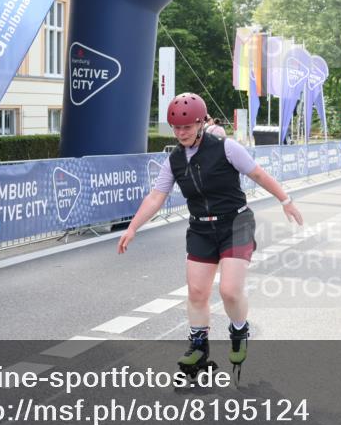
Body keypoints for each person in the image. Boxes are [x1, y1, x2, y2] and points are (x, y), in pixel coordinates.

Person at [119, 93, 304, 381]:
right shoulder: (174, 160)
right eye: (176, 129)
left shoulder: (226, 148)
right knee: (196, 292)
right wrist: (133, 227)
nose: (181, 134)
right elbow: (157, 196)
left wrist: (286, 200)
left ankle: (240, 329)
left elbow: (259, 175)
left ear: (201, 123)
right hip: (201, 228)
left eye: (187, 128)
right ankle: (198, 346)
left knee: (229, 290)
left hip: (235, 223)